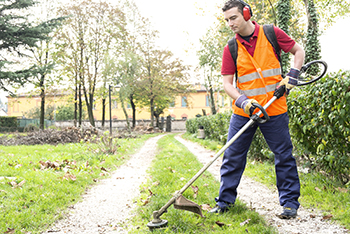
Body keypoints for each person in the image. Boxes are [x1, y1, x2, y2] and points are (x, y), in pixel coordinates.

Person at [208, 0, 305, 219]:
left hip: (275, 107)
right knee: (232, 156)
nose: (230, 23)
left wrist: (292, 75)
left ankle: (289, 203)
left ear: (246, 13)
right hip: (245, 111)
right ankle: (225, 202)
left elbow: (298, 51)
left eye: (233, 18)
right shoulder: (231, 48)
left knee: (283, 156)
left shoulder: (272, 33)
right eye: (226, 20)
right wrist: (244, 102)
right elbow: (227, 84)